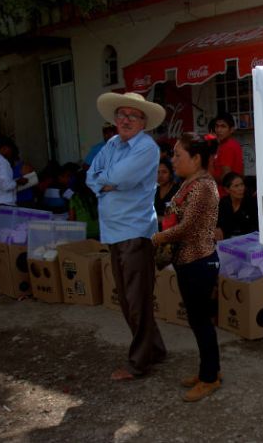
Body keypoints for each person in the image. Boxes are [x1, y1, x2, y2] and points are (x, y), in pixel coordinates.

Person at [86, 91, 168, 381]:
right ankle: (154, 350)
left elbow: (118, 178)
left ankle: (139, 362)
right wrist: (106, 181)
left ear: (143, 122)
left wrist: (107, 180)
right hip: (115, 232)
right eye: (121, 114)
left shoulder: (146, 148)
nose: (126, 120)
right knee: (127, 298)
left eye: (133, 116)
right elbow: (91, 176)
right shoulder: (112, 144)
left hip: (134, 231)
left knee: (135, 299)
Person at [152, 132, 222, 402]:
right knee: (197, 319)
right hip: (188, 260)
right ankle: (210, 370)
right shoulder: (189, 182)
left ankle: (209, 378)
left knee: (200, 319)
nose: (173, 159)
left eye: (178, 155)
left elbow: (187, 227)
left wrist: (157, 238)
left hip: (199, 261)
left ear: (195, 159)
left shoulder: (203, 186)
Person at [208, 112, 243, 197]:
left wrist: (209, 175)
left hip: (225, 197)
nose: (219, 130)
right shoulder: (230, 144)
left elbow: (226, 179)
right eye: (217, 126)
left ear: (231, 130)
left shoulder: (227, 147)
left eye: (223, 126)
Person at [215, 172, 258, 240]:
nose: (241, 189)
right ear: (227, 190)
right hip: (227, 242)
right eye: (236, 186)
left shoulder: (251, 202)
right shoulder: (223, 204)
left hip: (249, 241)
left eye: (242, 184)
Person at [68, 169, 100, 239]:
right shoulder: (96, 195)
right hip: (99, 232)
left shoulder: (74, 198)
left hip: (83, 233)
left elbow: (71, 220)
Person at [154, 156, 180, 229]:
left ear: (171, 174)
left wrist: (159, 218)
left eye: (164, 172)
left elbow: (178, 218)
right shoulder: (154, 190)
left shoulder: (177, 192)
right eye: (158, 172)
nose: (160, 176)